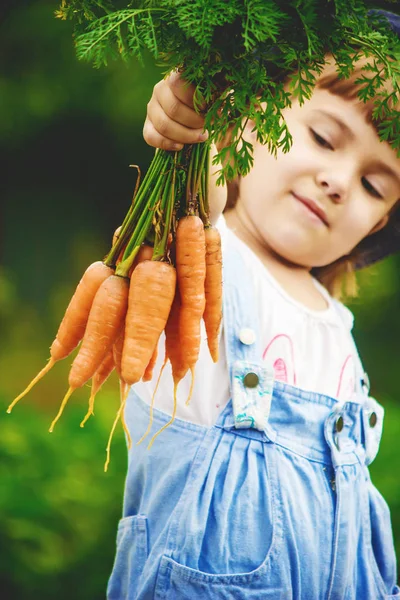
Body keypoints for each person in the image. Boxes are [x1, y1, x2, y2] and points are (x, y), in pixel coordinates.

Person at [107, 10, 400, 600]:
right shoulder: (208, 251)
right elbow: (199, 197)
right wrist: (188, 119)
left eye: (375, 185)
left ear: (381, 223)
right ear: (246, 118)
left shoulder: (333, 323)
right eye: (323, 137)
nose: (340, 180)